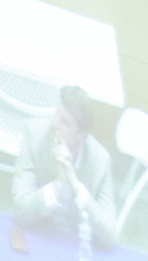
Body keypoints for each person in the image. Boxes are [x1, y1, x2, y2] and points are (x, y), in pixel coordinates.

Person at [11, 85, 119, 251]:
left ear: (82, 137)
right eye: (57, 114)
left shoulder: (100, 161)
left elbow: (109, 238)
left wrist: (75, 185)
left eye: (65, 122)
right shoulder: (34, 136)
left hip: (72, 244)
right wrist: (57, 187)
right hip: (37, 235)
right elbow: (19, 213)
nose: (55, 125)